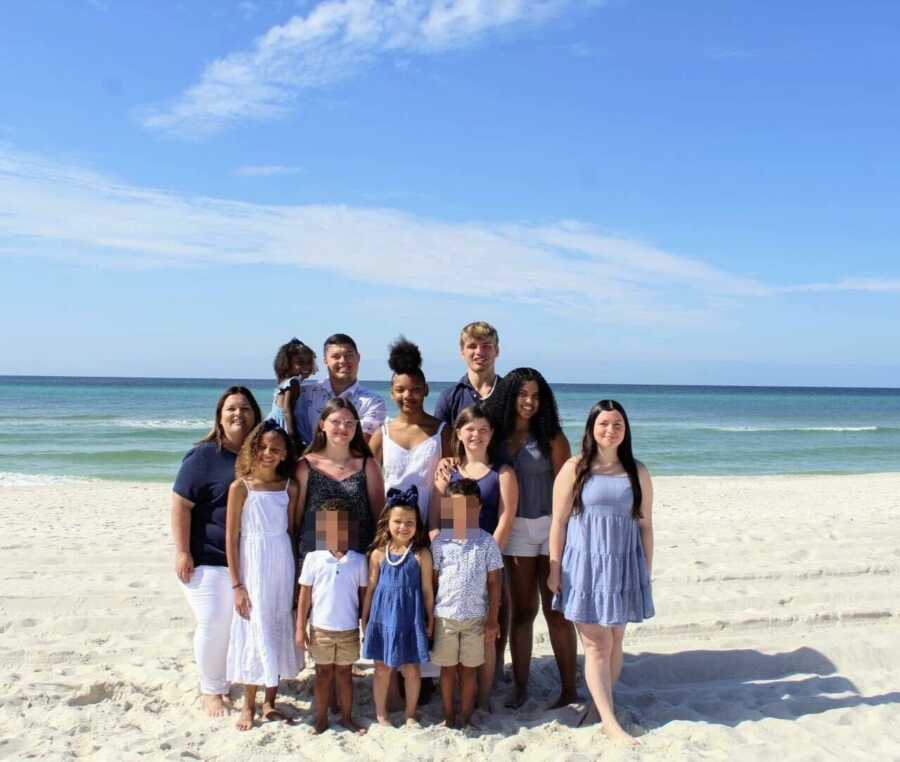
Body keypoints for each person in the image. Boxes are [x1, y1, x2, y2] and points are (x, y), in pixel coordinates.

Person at [548, 400, 655, 746]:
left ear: (626, 430)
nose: (610, 430)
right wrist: (553, 566)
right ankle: (610, 722)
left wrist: (645, 571)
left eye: (617, 424)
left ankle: (599, 707)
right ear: (592, 428)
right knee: (598, 644)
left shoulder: (637, 470)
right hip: (584, 566)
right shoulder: (574, 468)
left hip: (623, 565)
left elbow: (646, 526)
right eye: (604, 424)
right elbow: (559, 522)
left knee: (616, 640)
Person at [170, 386, 262, 717]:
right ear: (219, 417)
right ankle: (212, 689)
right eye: (231, 409)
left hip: (248, 559)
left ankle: (236, 676)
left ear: (256, 415)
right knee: (214, 620)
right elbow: (181, 504)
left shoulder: (260, 456)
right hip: (206, 558)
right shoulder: (204, 456)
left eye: (246, 409)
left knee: (242, 623)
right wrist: (183, 552)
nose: (239, 414)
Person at [489, 368, 577, 709]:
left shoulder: (553, 438)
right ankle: (521, 687)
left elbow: (568, 490)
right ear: (510, 396)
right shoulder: (497, 437)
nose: (529, 402)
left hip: (551, 527)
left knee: (557, 611)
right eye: (523, 394)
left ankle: (569, 688)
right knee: (522, 612)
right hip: (515, 530)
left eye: (536, 396)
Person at [431, 404, 516, 711]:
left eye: (483, 429)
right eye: (470, 429)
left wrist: (485, 558)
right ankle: (452, 699)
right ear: (458, 433)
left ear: (491, 434)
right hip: (452, 561)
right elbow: (434, 516)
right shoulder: (447, 470)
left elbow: (506, 519)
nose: (476, 435)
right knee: (450, 631)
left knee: (487, 634)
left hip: (487, 559)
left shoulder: (502, 473)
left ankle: (483, 697)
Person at [225, 421, 301, 731]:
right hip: (252, 561)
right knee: (253, 626)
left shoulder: (289, 487)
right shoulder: (240, 486)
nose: (269, 453)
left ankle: (270, 702)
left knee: (277, 623)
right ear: (253, 449)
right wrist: (237, 584)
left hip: (281, 560)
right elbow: (231, 537)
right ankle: (248, 704)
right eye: (264, 447)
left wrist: (298, 580)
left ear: (284, 454)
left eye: (276, 449)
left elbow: (292, 531)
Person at [431, 479, 503, 727]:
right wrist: (429, 618)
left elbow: (495, 583)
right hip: (445, 617)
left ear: (479, 508)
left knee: (469, 669)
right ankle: (449, 715)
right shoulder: (440, 543)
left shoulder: (487, 542)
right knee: (448, 669)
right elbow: (432, 582)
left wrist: (493, 619)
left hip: (476, 618)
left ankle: (466, 714)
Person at [361, 486, 434, 727]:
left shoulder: (421, 554)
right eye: (398, 521)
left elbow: (426, 590)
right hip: (382, 617)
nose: (403, 527)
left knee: (412, 669)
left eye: (410, 522)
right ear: (388, 522)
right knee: (382, 668)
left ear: (417, 524)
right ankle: (381, 713)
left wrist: (430, 617)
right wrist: (365, 616)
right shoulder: (378, 555)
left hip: (410, 618)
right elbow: (371, 589)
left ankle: (410, 713)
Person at [296, 498, 369, 735]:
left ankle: (347, 717)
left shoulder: (358, 560)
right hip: (320, 629)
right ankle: (320, 718)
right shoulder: (313, 558)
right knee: (322, 674)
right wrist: (300, 629)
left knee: (345, 675)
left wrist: (364, 627)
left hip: (348, 629)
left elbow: (363, 599)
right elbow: (304, 597)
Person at [369, 336, 452, 527]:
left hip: (431, 523)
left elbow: (452, 482)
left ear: (426, 390)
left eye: (415, 389)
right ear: (391, 393)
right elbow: (369, 484)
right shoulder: (383, 434)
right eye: (400, 389)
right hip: (393, 525)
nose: (407, 395)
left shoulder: (442, 432)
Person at [295, 398, 385, 561]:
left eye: (349, 423)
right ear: (322, 424)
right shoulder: (305, 465)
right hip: (314, 559)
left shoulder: (368, 465)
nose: (343, 428)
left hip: (357, 558)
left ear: (356, 427)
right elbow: (295, 519)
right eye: (335, 422)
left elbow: (380, 518)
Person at [300, 333, 386, 444]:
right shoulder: (306, 394)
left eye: (348, 355)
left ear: (358, 357)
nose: (343, 361)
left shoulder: (373, 402)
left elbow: (361, 444)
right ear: (325, 360)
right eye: (336, 356)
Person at [434, 321, 502, 428]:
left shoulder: (510, 393)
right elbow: (440, 441)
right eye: (472, 346)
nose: (479, 352)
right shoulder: (449, 398)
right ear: (462, 352)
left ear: (497, 351)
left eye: (486, 346)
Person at [266, 338, 317, 446]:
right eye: (300, 363)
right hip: (285, 428)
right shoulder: (293, 382)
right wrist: (294, 437)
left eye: (308, 362)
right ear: (288, 364)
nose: (306, 367)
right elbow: (287, 410)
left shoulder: (284, 383)